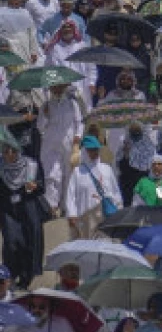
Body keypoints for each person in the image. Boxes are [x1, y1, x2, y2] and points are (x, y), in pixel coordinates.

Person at [0, 140, 46, 289]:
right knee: (11, 243)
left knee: (29, 243)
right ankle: (11, 277)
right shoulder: (1, 168)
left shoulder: (31, 165)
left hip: (28, 208)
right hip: (9, 211)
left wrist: (35, 186)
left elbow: (42, 187)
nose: (10, 155)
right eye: (6, 152)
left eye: (13, 151)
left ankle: (26, 278)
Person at [38, 82, 84, 216]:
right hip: (50, 145)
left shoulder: (71, 104)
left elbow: (79, 123)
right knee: (51, 175)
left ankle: (67, 207)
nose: (57, 90)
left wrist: (77, 137)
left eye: (59, 87)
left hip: (69, 144)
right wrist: (45, 115)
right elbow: (40, 127)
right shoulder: (46, 105)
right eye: (54, 87)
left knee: (69, 175)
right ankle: (51, 207)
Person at [66, 135, 123, 240]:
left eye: (96, 149)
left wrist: (119, 210)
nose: (94, 153)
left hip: (105, 214)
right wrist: (72, 214)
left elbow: (115, 191)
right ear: (84, 151)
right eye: (91, 150)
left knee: (104, 244)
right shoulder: (77, 172)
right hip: (84, 215)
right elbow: (71, 195)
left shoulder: (107, 169)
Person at [117, 121, 158, 206]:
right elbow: (121, 169)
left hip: (144, 184)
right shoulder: (124, 145)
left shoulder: (149, 145)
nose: (135, 133)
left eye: (137, 131)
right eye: (133, 131)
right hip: (128, 187)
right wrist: (126, 155)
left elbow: (151, 167)